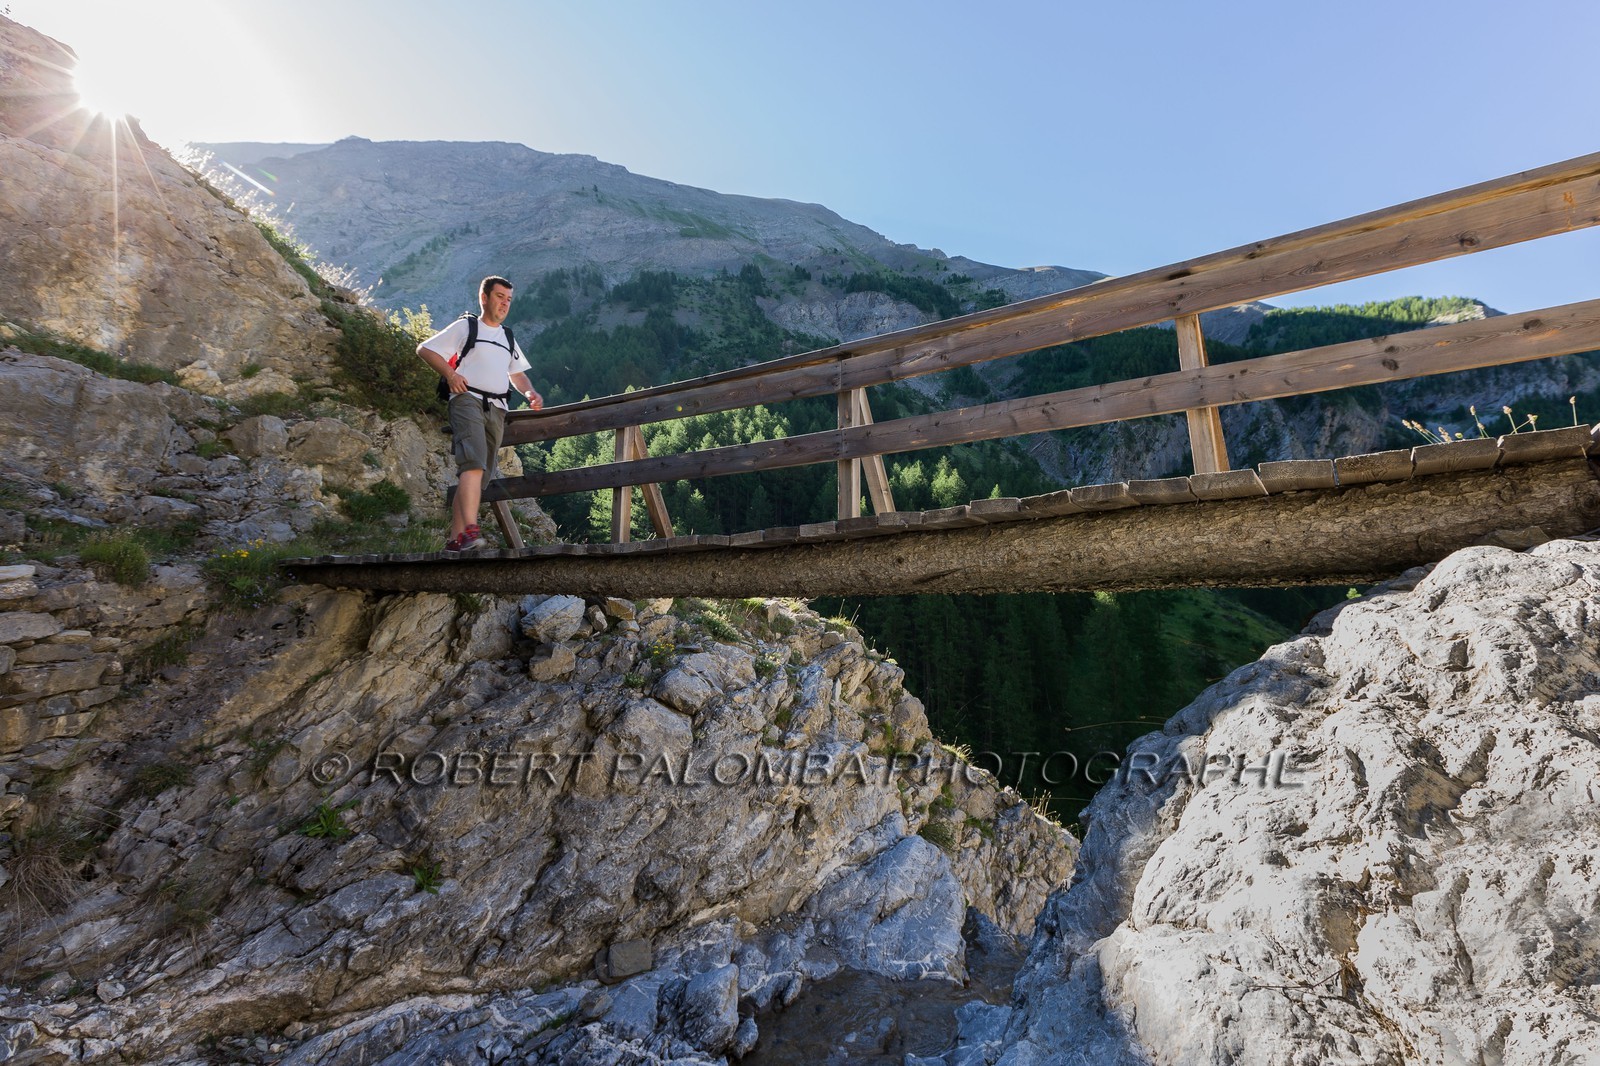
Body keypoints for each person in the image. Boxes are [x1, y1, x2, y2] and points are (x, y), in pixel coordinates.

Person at [417, 275, 543, 552]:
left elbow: (517, 374)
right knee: (472, 464)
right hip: (467, 400)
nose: (505, 304)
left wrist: (530, 393)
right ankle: (471, 532)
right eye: (500, 297)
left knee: (479, 473)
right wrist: (450, 375)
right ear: (483, 298)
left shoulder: (507, 336)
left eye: (509, 299)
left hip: (497, 408)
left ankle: (455, 540)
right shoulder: (467, 326)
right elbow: (425, 349)